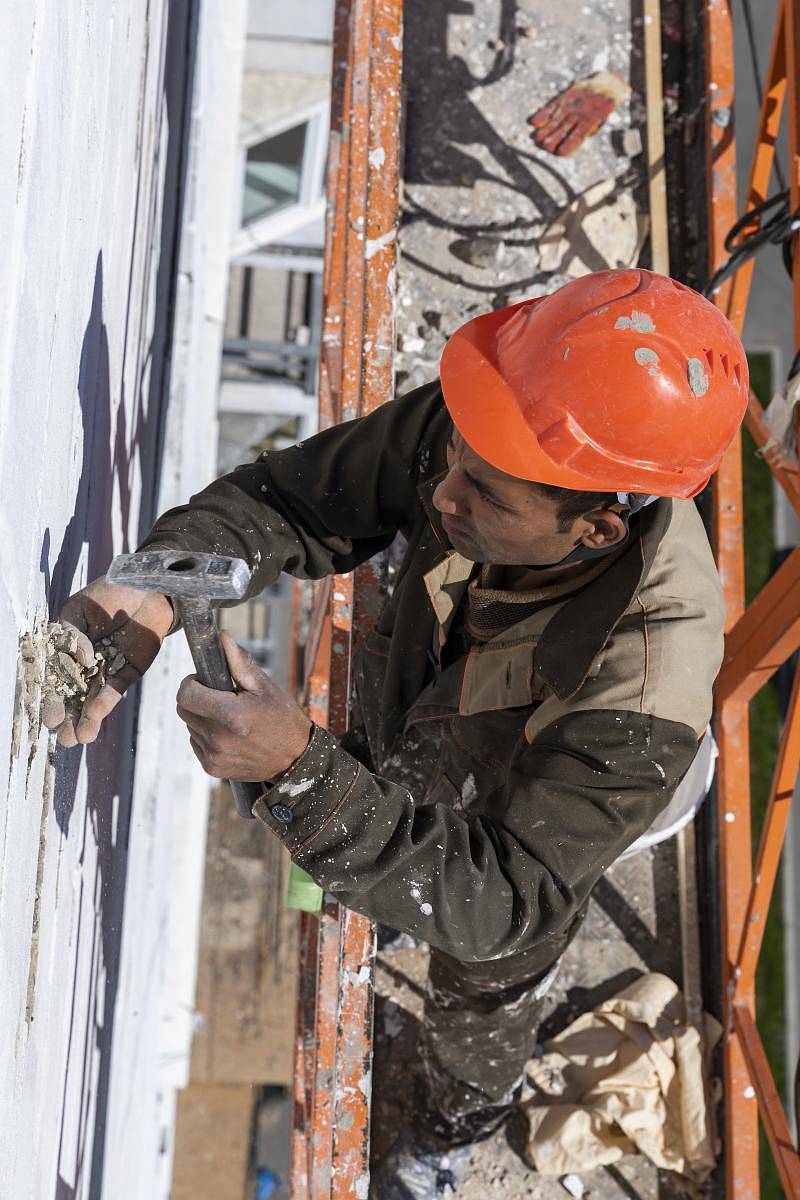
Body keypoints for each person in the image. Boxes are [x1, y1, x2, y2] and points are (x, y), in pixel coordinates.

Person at [49, 268, 748, 1198]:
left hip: (550, 800)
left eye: (486, 496)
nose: (445, 493)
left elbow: (507, 898)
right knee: (394, 768)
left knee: (482, 984)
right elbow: (302, 501)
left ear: (597, 529)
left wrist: (301, 774)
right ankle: (369, 820)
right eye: (454, 456)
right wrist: (157, 586)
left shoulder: (644, 680)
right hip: (445, 694)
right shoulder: (508, 432)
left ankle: (453, 1131)